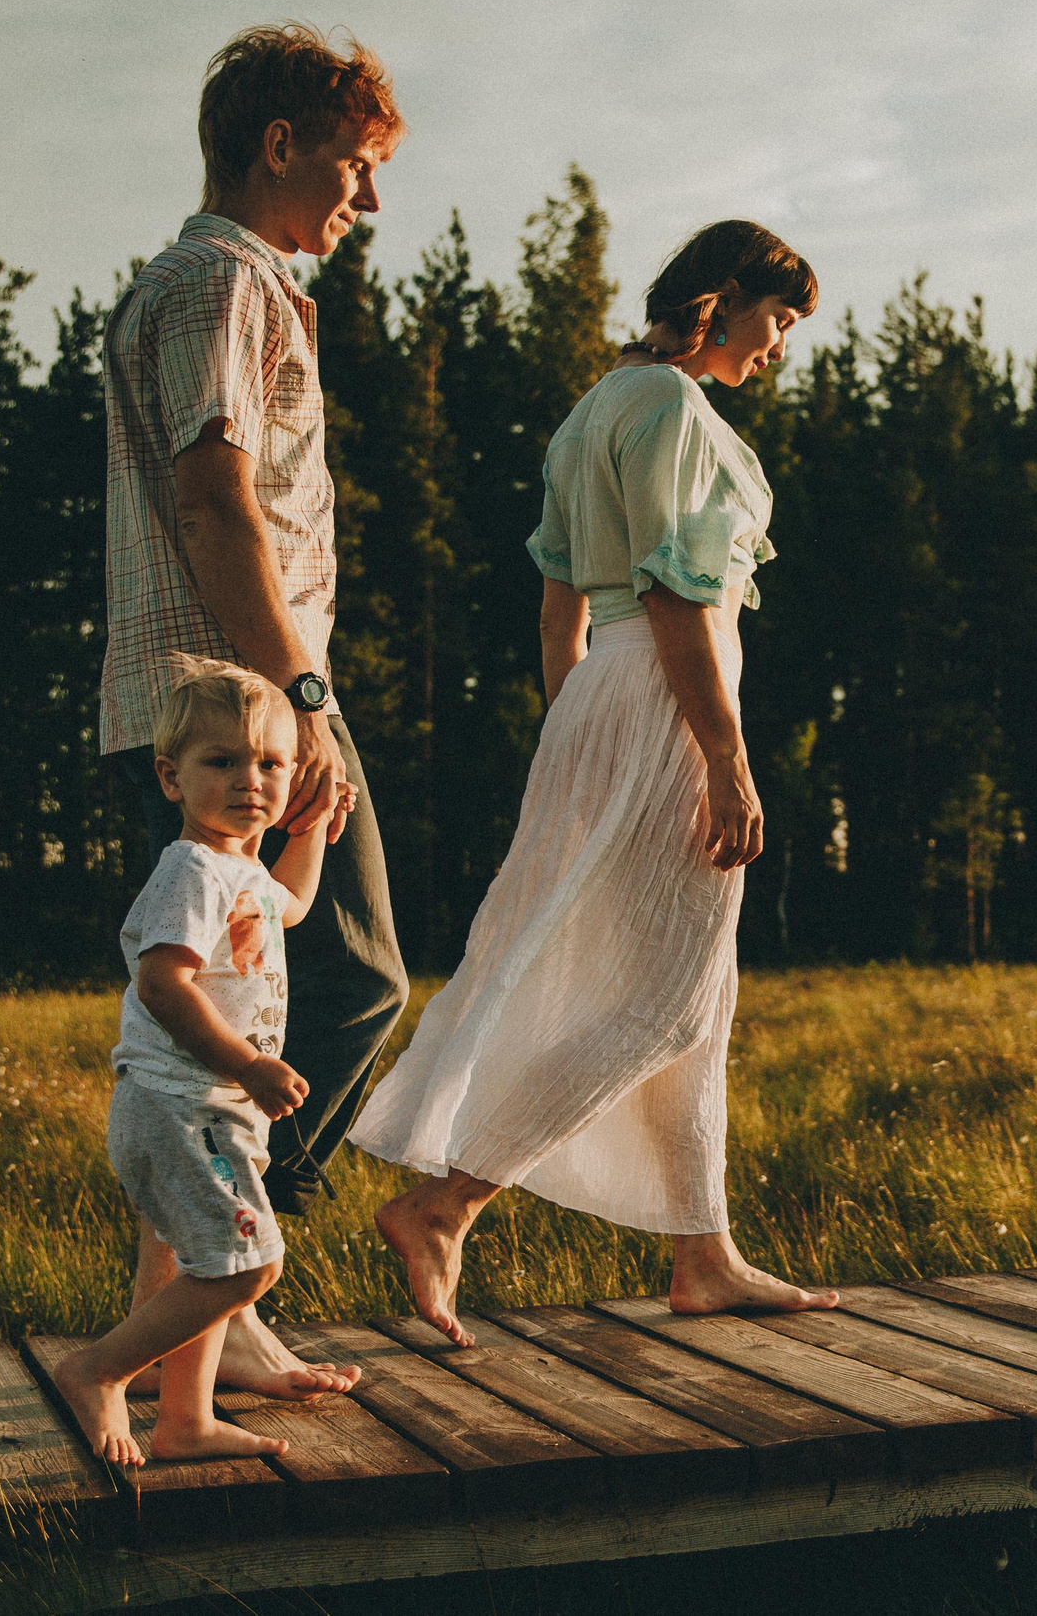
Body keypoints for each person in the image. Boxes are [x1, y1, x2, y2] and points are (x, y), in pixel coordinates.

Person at [349, 221, 841, 1345]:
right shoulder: (670, 408)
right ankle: (445, 1202)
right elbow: (678, 598)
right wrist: (719, 757)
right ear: (723, 300)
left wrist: (580, 719)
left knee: (695, 997)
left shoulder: (591, 409)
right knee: (664, 999)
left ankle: (702, 1254)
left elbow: (558, 601)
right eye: (778, 320)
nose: (779, 347)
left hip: (604, 695)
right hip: (668, 696)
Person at [98, 23, 411, 1395]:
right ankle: (235, 1257)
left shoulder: (207, 284)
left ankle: (218, 1316)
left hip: (210, 708)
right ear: (278, 146)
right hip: (233, 717)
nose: (369, 199)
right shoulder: (223, 283)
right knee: (353, 976)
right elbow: (217, 498)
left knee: (261, 1000)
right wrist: (303, 706)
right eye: (355, 165)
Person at [52, 657, 359, 1467]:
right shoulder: (191, 869)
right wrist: (249, 1063)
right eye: (221, 761)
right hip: (181, 1103)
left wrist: (314, 826)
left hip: (213, 1108)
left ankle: (185, 1419)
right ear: (171, 778)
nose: (249, 779)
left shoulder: (240, 869)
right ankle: (98, 1369)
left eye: (269, 763)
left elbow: (288, 905)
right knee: (247, 1264)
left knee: (211, 1258)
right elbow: (161, 983)